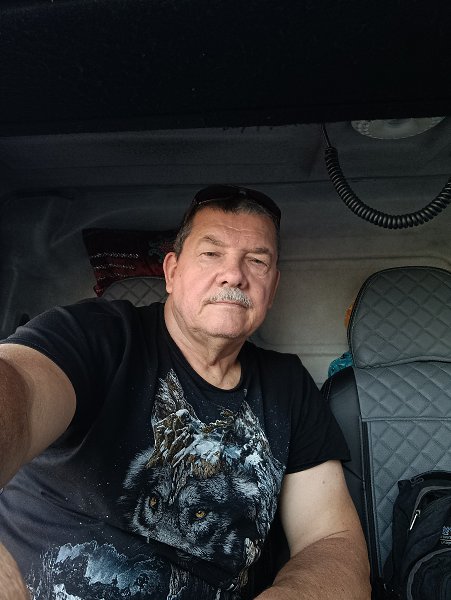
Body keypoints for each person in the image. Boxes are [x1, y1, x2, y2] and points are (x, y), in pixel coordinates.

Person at [0, 185, 371, 599]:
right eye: (211, 253)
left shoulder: (288, 385)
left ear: (273, 286)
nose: (234, 274)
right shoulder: (94, 335)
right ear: (172, 272)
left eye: (257, 260)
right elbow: (18, 388)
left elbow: (331, 540)